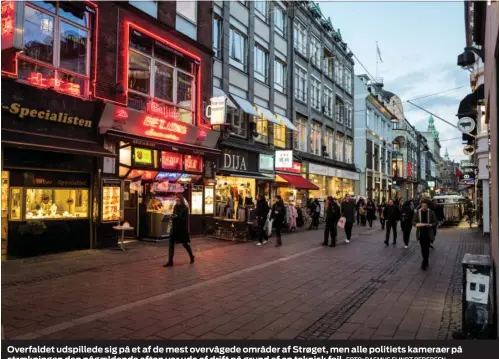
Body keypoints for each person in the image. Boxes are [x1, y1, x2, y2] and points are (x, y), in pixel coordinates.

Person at [164, 194, 194, 267]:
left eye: (178, 200)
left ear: (181, 200)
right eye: (176, 200)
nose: (176, 201)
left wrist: (177, 217)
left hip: (181, 229)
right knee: (171, 244)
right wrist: (171, 216)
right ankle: (170, 261)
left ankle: (191, 256)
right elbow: (173, 215)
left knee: (185, 244)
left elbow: (185, 219)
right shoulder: (174, 207)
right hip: (174, 228)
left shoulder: (185, 208)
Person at [412, 200, 438, 270]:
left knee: (426, 248)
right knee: (423, 248)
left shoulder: (431, 212)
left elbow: (435, 222)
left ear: (427, 206)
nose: (424, 207)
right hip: (421, 233)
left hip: (429, 233)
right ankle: (425, 261)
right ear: (421, 205)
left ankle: (424, 262)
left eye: (425, 206)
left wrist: (431, 225)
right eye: (422, 206)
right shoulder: (417, 212)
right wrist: (416, 224)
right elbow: (413, 221)